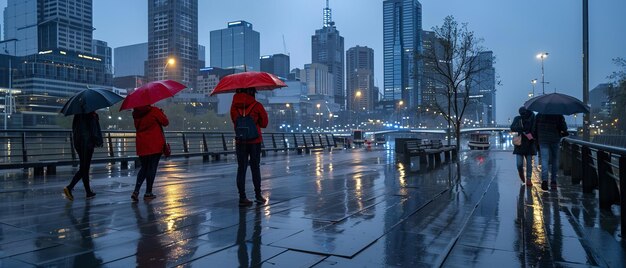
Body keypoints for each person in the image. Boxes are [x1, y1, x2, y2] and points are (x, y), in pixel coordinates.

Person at [230, 88, 268, 206]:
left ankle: (242, 197)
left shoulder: (234, 106)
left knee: (241, 168)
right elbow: (264, 123)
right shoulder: (257, 106)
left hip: (240, 141)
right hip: (255, 141)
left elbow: (234, 121)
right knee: (255, 168)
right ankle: (258, 195)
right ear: (252, 92)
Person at [132, 105, 169, 201]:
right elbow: (165, 122)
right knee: (152, 168)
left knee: (144, 168)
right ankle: (148, 192)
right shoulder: (154, 110)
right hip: (154, 144)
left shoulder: (136, 114)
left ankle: (136, 191)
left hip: (142, 144)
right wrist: (162, 113)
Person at [64, 112, 103, 201]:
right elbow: (94, 131)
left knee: (84, 167)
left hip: (78, 142)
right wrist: (98, 141)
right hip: (87, 143)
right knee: (84, 168)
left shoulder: (77, 114)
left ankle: (88, 192)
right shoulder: (91, 114)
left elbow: (74, 128)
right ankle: (69, 187)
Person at [535, 113, 568, 190]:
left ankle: (545, 181)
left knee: (544, 160)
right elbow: (564, 128)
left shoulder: (539, 115)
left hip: (543, 139)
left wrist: (537, 138)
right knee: (555, 160)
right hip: (555, 139)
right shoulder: (558, 115)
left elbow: (534, 128)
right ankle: (553, 182)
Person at [510, 107, 537, 186]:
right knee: (519, 164)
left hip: (529, 143)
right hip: (520, 143)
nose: (523, 114)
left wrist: (530, 133)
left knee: (529, 163)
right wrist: (522, 129)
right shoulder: (517, 119)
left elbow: (535, 130)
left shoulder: (532, 119)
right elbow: (512, 127)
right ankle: (521, 173)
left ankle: (529, 179)